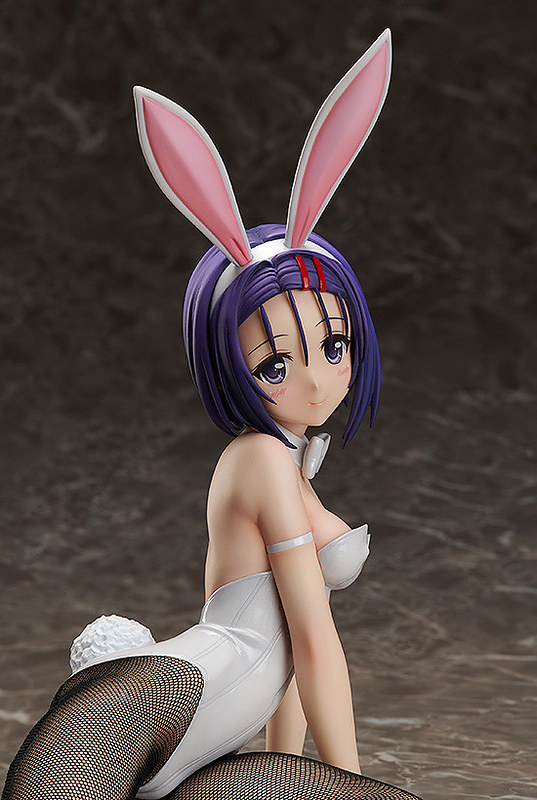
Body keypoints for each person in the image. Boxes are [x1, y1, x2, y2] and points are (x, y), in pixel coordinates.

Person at [2, 30, 423, 800]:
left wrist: (300, 770)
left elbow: (286, 659)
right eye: (274, 363)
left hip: (193, 742)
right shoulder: (259, 460)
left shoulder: (281, 459)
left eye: (333, 345)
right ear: (228, 363)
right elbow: (312, 642)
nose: (314, 380)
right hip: (149, 711)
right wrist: (345, 780)